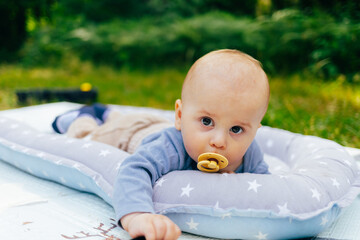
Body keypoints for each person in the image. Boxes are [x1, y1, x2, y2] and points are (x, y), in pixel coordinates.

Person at [52, 49, 270, 240]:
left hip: (153, 125)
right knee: (89, 134)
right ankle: (82, 116)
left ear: (254, 131)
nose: (219, 141)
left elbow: (267, 189)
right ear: (180, 115)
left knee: (121, 117)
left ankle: (108, 112)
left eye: (236, 129)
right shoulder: (168, 148)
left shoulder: (250, 154)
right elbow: (133, 169)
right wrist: (137, 215)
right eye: (206, 121)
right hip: (130, 133)